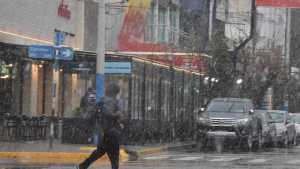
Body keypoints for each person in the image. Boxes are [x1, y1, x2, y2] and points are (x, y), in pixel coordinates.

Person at [79, 83, 123, 169]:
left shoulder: (103, 101)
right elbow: (109, 114)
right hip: (112, 133)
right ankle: (83, 165)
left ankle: (83, 165)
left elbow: (93, 115)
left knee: (100, 152)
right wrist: (117, 115)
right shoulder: (110, 101)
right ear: (114, 92)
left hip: (107, 132)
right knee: (113, 157)